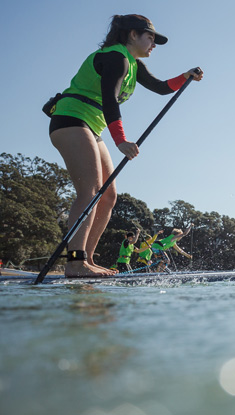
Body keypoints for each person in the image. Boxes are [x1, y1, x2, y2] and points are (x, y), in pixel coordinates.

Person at [47, 14, 203, 278]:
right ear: (132, 34)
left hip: (91, 126)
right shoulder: (115, 57)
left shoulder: (133, 63)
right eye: (151, 37)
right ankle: (75, 261)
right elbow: (110, 100)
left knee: (108, 196)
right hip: (71, 119)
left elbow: (161, 87)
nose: (154, 44)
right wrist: (120, 140)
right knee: (90, 191)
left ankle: (88, 258)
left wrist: (184, 76)